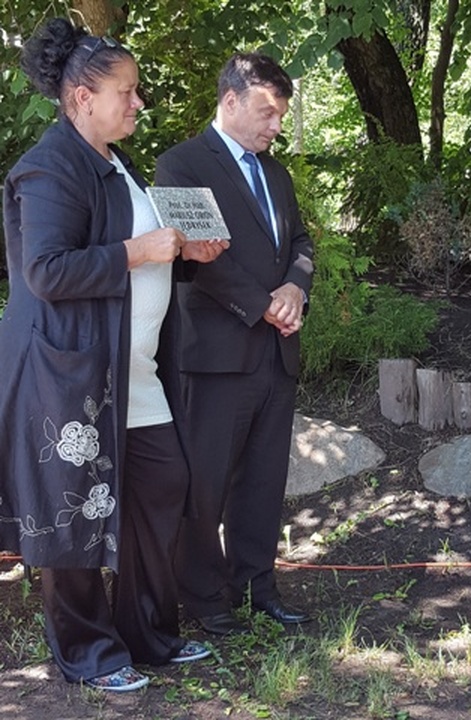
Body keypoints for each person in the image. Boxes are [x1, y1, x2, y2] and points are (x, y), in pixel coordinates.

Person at [0, 18, 230, 691]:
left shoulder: (113, 161)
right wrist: (138, 251)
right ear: (82, 98)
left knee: (162, 485)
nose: (138, 102)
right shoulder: (50, 165)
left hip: (132, 371)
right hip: (69, 376)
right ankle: (89, 653)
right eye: (126, 91)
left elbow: (137, 254)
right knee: (71, 513)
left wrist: (184, 254)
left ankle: (148, 634)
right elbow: (46, 271)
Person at [154, 53, 314, 636]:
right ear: (231, 101)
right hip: (216, 355)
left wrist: (295, 288)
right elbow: (201, 258)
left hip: (275, 352)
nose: (276, 125)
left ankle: (256, 586)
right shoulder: (181, 164)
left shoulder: (277, 174)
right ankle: (202, 594)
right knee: (207, 480)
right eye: (268, 112)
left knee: (264, 480)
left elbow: (300, 241)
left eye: (281, 115)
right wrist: (263, 304)